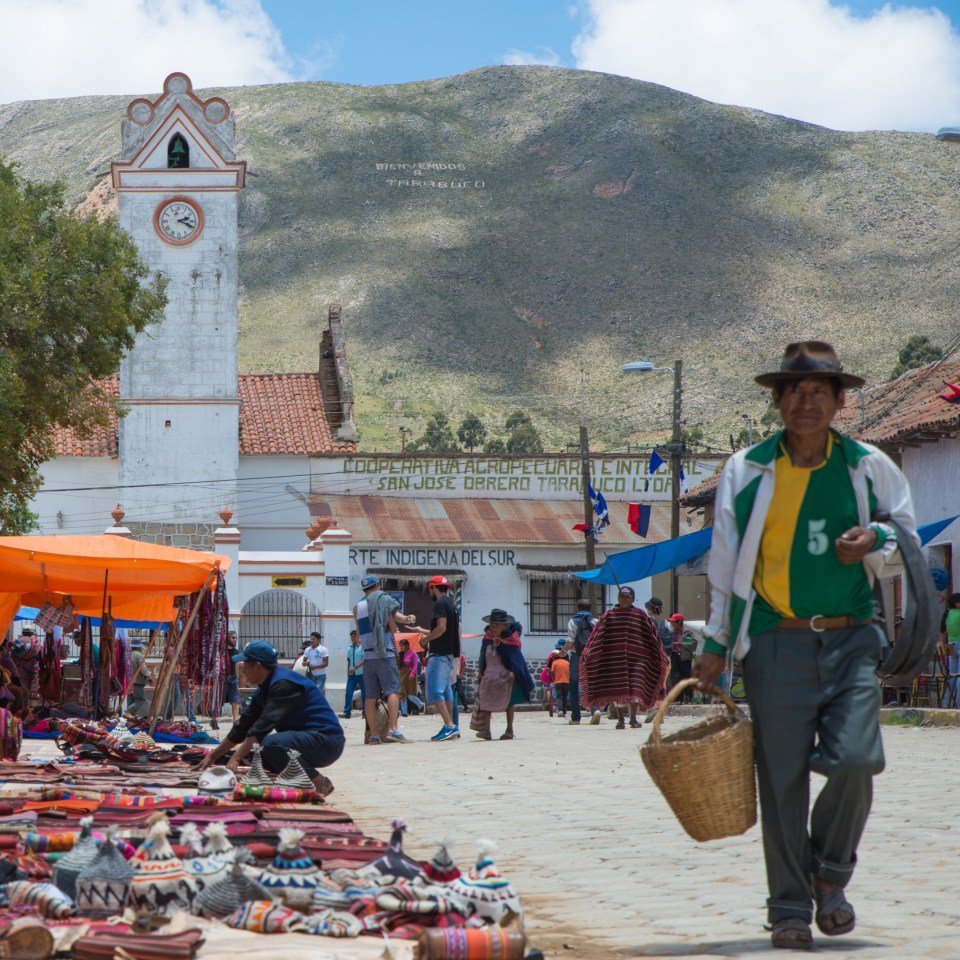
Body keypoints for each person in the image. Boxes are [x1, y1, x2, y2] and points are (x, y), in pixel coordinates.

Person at [694, 340, 917, 951]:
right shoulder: (748, 470)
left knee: (857, 760)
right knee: (782, 780)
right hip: (774, 641)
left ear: (840, 401)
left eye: (819, 391)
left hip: (853, 638)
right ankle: (789, 907)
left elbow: (905, 538)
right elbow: (724, 562)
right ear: (778, 401)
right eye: (794, 391)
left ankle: (830, 871)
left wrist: (873, 540)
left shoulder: (868, 466)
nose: (806, 402)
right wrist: (717, 642)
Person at [197, 640, 343, 795]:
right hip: (306, 741)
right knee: (259, 755)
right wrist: (212, 756)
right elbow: (243, 726)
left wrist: (236, 758)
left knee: (270, 744)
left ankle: (320, 782)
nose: (243, 671)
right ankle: (295, 782)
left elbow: (262, 727)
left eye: (246, 665)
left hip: (326, 743)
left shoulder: (284, 684)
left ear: (257, 666)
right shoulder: (266, 687)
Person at [580, 585, 667, 729]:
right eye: (621, 597)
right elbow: (598, 634)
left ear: (632, 599)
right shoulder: (609, 615)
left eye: (627, 597)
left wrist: (659, 652)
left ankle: (633, 719)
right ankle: (620, 720)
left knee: (635, 688)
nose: (624, 600)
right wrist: (589, 651)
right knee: (618, 689)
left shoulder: (639, 614)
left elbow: (651, 634)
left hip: (637, 660)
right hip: (615, 659)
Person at [354, 574, 417, 744]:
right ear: (377, 586)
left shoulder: (358, 607)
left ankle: (374, 735)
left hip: (368, 657)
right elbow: (393, 626)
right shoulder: (382, 601)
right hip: (385, 654)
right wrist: (406, 620)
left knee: (370, 696)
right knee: (392, 691)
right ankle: (393, 729)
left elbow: (358, 636)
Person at [473, 608, 535, 740]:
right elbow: (482, 656)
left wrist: (513, 672)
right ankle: (486, 730)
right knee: (485, 700)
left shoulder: (511, 639)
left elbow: (515, 659)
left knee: (508, 702)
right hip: (489, 674)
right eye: (492, 625)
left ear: (504, 626)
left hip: (505, 675)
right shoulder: (487, 638)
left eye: (497, 625)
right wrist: (480, 672)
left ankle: (509, 730)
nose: (494, 628)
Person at [416, 575, 462, 742]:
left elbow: (441, 628)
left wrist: (425, 640)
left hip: (439, 654)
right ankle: (451, 725)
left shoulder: (439, 604)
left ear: (434, 588)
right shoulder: (452, 604)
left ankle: (449, 726)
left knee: (435, 691)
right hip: (450, 654)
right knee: (447, 691)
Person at [566, 598, 598, 724]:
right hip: (592, 656)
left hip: (576, 655)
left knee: (574, 685)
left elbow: (570, 642)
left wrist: (563, 651)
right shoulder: (595, 621)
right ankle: (595, 710)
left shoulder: (572, 621)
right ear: (590, 608)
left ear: (578, 608)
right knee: (592, 684)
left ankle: (575, 717)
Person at [667, 613, 697, 702]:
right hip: (674, 657)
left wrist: (681, 644)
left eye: (674, 622)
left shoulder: (688, 632)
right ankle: (678, 699)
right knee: (675, 678)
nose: (672, 624)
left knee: (685, 677)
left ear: (679, 622)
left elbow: (693, 644)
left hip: (685, 658)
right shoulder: (671, 633)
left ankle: (687, 695)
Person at [938, 593, 960, 708]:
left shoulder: (947, 614)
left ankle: (946, 702)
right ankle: (959, 703)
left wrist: (941, 646)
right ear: (957, 603)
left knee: (952, 675)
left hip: (951, 646)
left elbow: (943, 633)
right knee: (959, 676)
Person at [341, 629, 365, 719]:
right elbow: (349, 660)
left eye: (354, 637)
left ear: (358, 637)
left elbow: (365, 660)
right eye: (352, 637)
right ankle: (347, 712)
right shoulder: (349, 648)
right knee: (348, 692)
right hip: (352, 674)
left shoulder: (362, 647)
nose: (353, 639)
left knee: (364, 693)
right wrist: (348, 671)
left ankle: (365, 712)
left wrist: (356, 667)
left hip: (361, 673)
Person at [219, 630, 241, 726]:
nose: (235, 639)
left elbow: (237, 664)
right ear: (228, 638)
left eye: (236, 638)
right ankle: (215, 719)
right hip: (223, 679)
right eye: (233, 637)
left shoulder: (236, 651)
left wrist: (237, 677)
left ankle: (235, 720)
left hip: (233, 679)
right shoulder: (223, 651)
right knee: (220, 701)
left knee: (235, 701)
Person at [397, 638, 424, 716]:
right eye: (400, 646)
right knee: (402, 694)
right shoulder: (400, 654)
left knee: (410, 694)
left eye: (402, 645)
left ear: (407, 645)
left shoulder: (413, 653)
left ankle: (420, 705)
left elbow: (415, 665)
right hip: (402, 675)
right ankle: (404, 712)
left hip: (410, 676)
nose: (401, 647)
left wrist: (412, 673)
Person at [127, 637, 152, 718]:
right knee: (141, 699)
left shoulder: (128, 655)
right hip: (138, 681)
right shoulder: (138, 655)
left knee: (131, 699)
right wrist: (149, 677)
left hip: (129, 681)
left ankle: (129, 716)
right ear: (139, 647)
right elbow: (143, 668)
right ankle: (129, 710)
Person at [550, 649, 570, 717]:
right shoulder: (567, 663)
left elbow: (552, 673)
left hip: (558, 682)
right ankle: (564, 710)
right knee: (564, 697)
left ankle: (560, 710)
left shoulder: (554, 663)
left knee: (559, 696)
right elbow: (570, 673)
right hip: (566, 682)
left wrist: (553, 680)